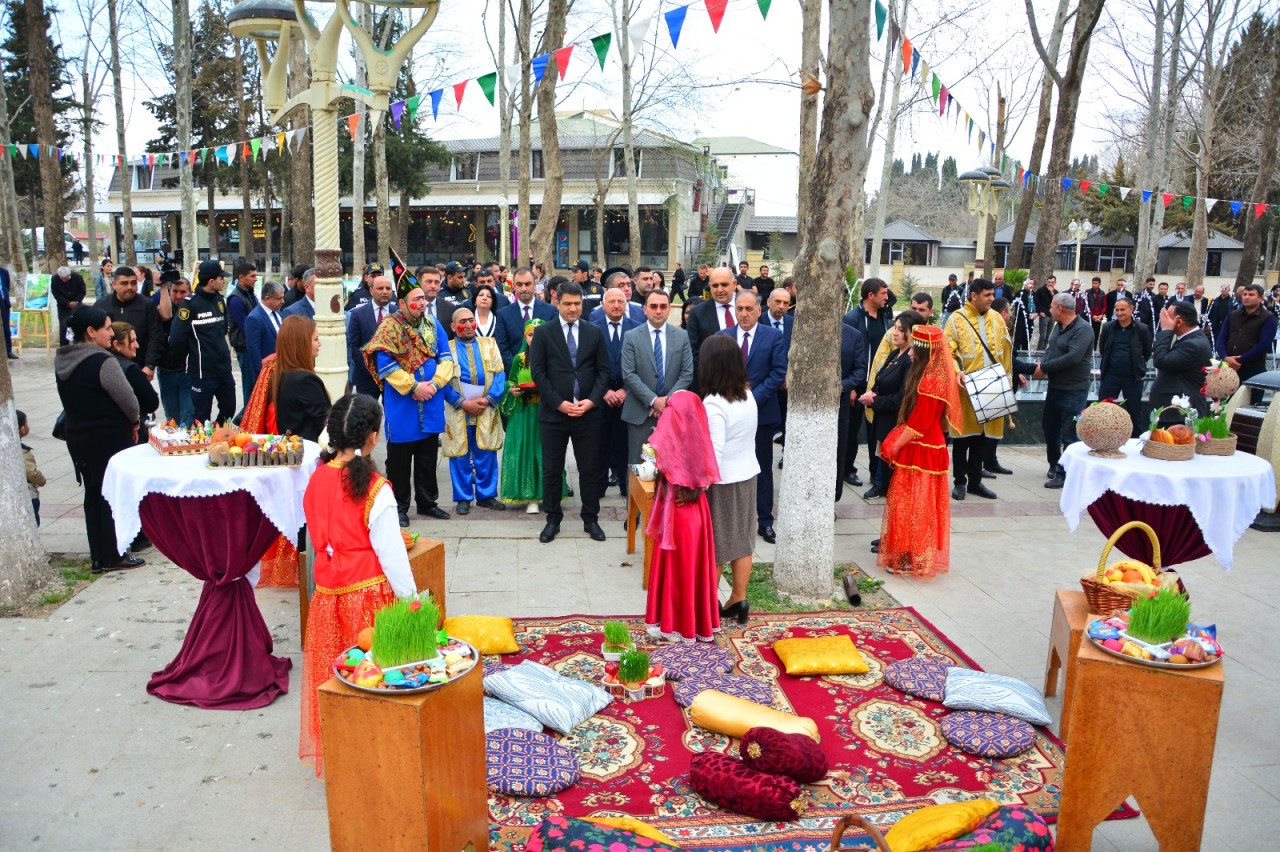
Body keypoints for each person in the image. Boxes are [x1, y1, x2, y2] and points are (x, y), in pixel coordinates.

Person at [299, 394, 416, 778]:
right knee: (372, 680)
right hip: (367, 598)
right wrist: (412, 600)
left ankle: (343, 755)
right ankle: (375, 757)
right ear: (373, 438)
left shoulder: (317, 477)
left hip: (327, 597)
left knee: (336, 680)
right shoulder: (376, 488)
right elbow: (391, 554)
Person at [55, 306, 144, 573]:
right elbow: (129, 401)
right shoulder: (103, 361)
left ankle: (98, 556)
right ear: (91, 332)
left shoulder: (63, 361)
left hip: (79, 437)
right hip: (108, 438)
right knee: (111, 496)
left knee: (93, 495)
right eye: (106, 327)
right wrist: (135, 420)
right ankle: (115, 555)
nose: (110, 332)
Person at [364, 267, 455, 526]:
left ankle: (427, 503)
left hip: (431, 401)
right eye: (415, 300)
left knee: (428, 456)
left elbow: (446, 358)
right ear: (401, 303)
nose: (421, 304)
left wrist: (435, 385)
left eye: (422, 299)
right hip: (403, 403)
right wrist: (416, 387)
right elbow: (386, 366)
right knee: (399, 460)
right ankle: (399, 506)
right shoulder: (389, 327)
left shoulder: (432, 324)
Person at [877, 324, 962, 578]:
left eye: (915, 348)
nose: (910, 352)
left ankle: (911, 556)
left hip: (922, 449)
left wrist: (895, 444)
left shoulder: (931, 382)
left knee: (914, 505)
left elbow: (919, 425)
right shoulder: (927, 375)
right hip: (923, 447)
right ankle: (909, 553)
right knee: (911, 503)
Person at [529, 281, 611, 543]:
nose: (573, 308)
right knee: (552, 469)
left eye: (577, 303)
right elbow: (538, 373)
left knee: (589, 468)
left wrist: (591, 401)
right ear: (557, 302)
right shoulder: (543, 333)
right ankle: (553, 519)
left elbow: (603, 372)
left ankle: (591, 519)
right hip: (555, 414)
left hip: (587, 414)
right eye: (568, 304)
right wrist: (558, 403)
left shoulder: (594, 332)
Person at [642, 390, 721, 642]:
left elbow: (655, 457)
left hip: (678, 512)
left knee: (680, 567)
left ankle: (679, 624)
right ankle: (687, 621)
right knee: (688, 566)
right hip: (695, 511)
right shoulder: (697, 431)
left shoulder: (671, 423)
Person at [718, 290, 787, 544]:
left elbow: (778, 373)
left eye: (749, 309)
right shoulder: (723, 337)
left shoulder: (773, 336)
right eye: (739, 309)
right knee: (728, 464)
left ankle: (765, 521)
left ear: (759, 310)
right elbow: (716, 372)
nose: (744, 314)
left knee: (762, 467)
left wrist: (750, 401)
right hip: (728, 414)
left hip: (761, 414)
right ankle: (728, 517)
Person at [699, 334, 759, 625]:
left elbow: (714, 452)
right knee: (742, 540)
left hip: (722, 482)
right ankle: (739, 597)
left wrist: (697, 484)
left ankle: (707, 606)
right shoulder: (747, 393)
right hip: (748, 474)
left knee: (717, 546)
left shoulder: (713, 403)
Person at [943, 278, 1010, 501]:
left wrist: (1007, 379)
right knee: (963, 439)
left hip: (992, 385)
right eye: (987, 295)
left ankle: (976, 482)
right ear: (974, 295)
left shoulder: (998, 319)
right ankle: (959, 482)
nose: (992, 299)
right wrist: (956, 371)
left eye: (993, 295)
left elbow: (1006, 350)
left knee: (983, 437)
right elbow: (948, 351)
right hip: (966, 387)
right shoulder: (956, 319)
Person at [440, 307, 507, 515]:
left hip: (486, 408)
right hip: (459, 409)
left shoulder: (490, 344)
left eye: (471, 321)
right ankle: (463, 497)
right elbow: (441, 381)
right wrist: (461, 402)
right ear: (453, 327)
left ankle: (487, 495)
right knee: (459, 453)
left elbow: (500, 374)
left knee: (486, 452)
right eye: (462, 322)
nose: (468, 325)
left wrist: (488, 399)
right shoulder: (446, 349)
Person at [622, 289, 694, 464]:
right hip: (640, 414)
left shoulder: (682, 336)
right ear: (645, 309)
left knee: (671, 466)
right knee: (639, 467)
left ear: (670, 308)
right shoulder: (631, 337)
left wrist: (666, 402)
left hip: (673, 413)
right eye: (653, 306)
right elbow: (629, 374)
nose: (658, 310)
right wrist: (654, 400)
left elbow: (687, 374)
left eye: (663, 306)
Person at [860, 311, 924, 503]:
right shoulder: (896, 353)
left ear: (913, 334)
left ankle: (887, 489)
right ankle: (881, 485)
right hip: (884, 417)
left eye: (900, 330)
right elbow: (882, 379)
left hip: (896, 419)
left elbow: (902, 397)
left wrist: (875, 401)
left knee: (892, 462)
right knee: (882, 454)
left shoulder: (911, 361)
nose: (894, 333)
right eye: (895, 328)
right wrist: (873, 392)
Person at [499, 320, 562, 512]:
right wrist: (511, 390)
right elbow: (509, 381)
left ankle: (547, 494)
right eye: (530, 334)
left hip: (545, 411)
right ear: (525, 337)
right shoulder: (519, 359)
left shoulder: (553, 358)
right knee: (524, 449)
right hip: (523, 412)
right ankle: (528, 495)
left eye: (538, 334)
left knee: (546, 451)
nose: (533, 338)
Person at [1034, 294, 1095, 488]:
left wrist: (1044, 368)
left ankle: (1066, 472)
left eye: (1052, 306)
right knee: (1050, 427)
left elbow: (1072, 358)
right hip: (1055, 387)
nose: (1049, 310)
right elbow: (1052, 350)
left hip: (1074, 389)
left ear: (1060, 309)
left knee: (1069, 433)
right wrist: (1043, 365)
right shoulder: (1058, 327)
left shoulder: (1083, 329)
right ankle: (1054, 464)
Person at [841, 278, 894, 489]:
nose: (887, 297)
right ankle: (847, 470)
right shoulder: (852, 319)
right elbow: (846, 355)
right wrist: (851, 387)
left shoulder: (884, 318)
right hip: (857, 383)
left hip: (878, 384)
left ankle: (875, 473)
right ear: (870, 296)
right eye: (883, 293)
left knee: (876, 432)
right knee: (852, 430)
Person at [169, 259, 236, 424]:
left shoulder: (219, 300)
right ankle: (204, 444)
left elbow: (222, 330)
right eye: (221, 278)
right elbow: (176, 338)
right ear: (211, 281)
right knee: (201, 417)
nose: (224, 280)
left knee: (229, 409)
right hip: (202, 373)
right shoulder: (189, 304)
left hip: (224, 369)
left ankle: (218, 434)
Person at [592, 287, 641, 497]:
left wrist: (626, 390)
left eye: (620, 302)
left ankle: (625, 484)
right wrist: (603, 391)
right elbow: (587, 366)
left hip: (628, 397)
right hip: (600, 397)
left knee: (625, 445)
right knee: (599, 444)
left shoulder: (637, 329)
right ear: (603, 305)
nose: (616, 305)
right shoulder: (592, 329)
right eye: (611, 301)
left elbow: (642, 365)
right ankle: (599, 485)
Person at [1098, 296, 1153, 439]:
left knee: (1135, 411)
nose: (1119, 313)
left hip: (1132, 377)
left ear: (1131, 309)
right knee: (1104, 409)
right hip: (1111, 375)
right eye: (1117, 310)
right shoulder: (1108, 327)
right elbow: (1103, 348)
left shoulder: (1142, 329)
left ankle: (1135, 440)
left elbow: (1147, 352)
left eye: (1123, 309)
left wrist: (1138, 365)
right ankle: (1103, 438)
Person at [269, 316, 330, 441]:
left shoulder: (280, 373)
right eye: (316, 339)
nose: (320, 343)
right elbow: (325, 424)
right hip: (310, 449)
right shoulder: (306, 380)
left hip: (291, 446)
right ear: (302, 343)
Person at [1215, 283, 1277, 405]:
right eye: (1245, 294)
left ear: (1260, 298)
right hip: (1229, 369)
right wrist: (1225, 357)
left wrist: (1240, 360)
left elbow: (1263, 346)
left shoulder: (1268, 318)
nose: (1246, 297)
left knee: (1247, 408)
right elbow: (1220, 339)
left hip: (1253, 371)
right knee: (1223, 407)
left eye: (1251, 294)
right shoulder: (1233, 315)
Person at [99, 265, 164, 380]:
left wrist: (150, 365)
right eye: (124, 283)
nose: (130, 287)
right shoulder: (102, 305)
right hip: (109, 366)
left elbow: (155, 335)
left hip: (139, 367)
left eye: (133, 283)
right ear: (114, 284)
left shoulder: (146, 305)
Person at [1151, 301, 1212, 422]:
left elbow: (1160, 360)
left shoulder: (1192, 344)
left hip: (1181, 415)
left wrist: (1166, 331)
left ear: (1178, 321)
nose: (1163, 320)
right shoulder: (1191, 339)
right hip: (1176, 413)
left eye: (1168, 317)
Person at [684, 266, 738, 390]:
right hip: (711, 386)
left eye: (724, 284)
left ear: (734, 284)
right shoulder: (698, 313)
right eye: (715, 286)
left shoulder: (747, 307)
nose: (719, 290)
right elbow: (693, 352)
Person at [496, 266, 557, 373]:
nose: (524, 288)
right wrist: (517, 369)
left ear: (534, 285)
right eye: (519, 284)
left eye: (527, 284)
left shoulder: (550, 311)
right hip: (514, 376)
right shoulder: (503, 314)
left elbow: (554, 343)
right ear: (513, 286)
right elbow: (502, 347)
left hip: (544, 374)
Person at [109, 321, 160, 444]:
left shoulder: (101, 361)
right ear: (117, 344)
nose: (137, 345)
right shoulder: (130, 369)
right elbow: (151, 402)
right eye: (132, 341)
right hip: (130, 432)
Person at [833, 322, 867, 503]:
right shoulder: (810, 327)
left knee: (838, 453)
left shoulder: (853, 335)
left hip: (840, 405)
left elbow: (860, 369)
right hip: (810, 406)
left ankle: (833, 498)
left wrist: (843, 386)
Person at [347, 274, 396, 398]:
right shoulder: (358, 314)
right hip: (365, 378)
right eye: (380, 288)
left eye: (388, 288)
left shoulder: (399, 313)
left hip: (394, 377)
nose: (385, 292)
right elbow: (354, 345)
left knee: (391, 416)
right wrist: (369, 369)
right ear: (371, 290)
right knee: (365, 415)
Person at [155, 277, 194, 424]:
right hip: (166, 370)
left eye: (183, 292)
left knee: (188, 414)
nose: (178, 296)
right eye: (175, 292)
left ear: (190, 292)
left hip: (188, 370)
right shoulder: (163, 310)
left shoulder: (194, 309)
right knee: (172, 418)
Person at [226, 261, 260, 405]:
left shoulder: (249, 294)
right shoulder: (236, 300)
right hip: (244, 348)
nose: (256, 279)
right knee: (250, 388)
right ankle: (246, 421)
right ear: (241, 277)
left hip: (251, 346)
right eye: (252, 276)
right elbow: (247, 326)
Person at [244, 280, 285, 393]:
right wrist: (263, 375)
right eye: (279, 298)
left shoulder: (277, 312)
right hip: (267, 374)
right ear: (267, 298)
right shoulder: (254, 318)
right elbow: (254, 350)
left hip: (281, 369)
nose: (283, 301)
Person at [17, 410, 45, 525]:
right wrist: (42, 480)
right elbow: (31, 473)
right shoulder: (23, 452)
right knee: (33, 522)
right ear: (23, 429)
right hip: (29, 495)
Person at [51, 265, 87, 346]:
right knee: (64, 326)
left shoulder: (77, 277)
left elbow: (82, 290)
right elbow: (56, 294)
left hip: (77, 305)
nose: (64, 280)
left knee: (78, 325)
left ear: (69, 275)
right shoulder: (55, 279)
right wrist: (67, 303)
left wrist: (76, 301)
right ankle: (64, 347)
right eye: (62, 279)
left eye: (66, 278)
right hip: (63, 306)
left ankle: (79, 345)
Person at [1033, 276, 1056, 350]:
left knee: (1047, 336)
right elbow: (1036, 301)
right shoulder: (1041, 290)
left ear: (1055, 283)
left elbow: (1056, 303)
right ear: (1047, 282)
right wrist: (1039, 312)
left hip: (1051, 316)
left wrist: (1052, 293)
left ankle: (1043, 351)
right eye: (1049, 282)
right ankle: (1039, 351)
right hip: (1044, 315)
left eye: (1052, 282)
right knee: (1043, 335)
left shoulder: (1055, 292)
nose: (1050, 284)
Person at [1085, 277, 1107, 345]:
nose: (1094, 285)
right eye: (1093, 283)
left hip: (1099, 317)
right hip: (1089, 317)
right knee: (1088, 335)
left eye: (1096, 283)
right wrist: (1092, 315)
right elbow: (1086, 305)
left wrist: (1101, 315)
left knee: (1096, 335)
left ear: (1099, 284)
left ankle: (1094, 349)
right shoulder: (1087, 292)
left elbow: (1104, 305)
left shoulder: (1102, 293)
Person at [0, 262, 15, 359]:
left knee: (6, 327)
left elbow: (7, 286)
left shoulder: (4, 272)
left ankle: (8, 351)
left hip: (4, 301)